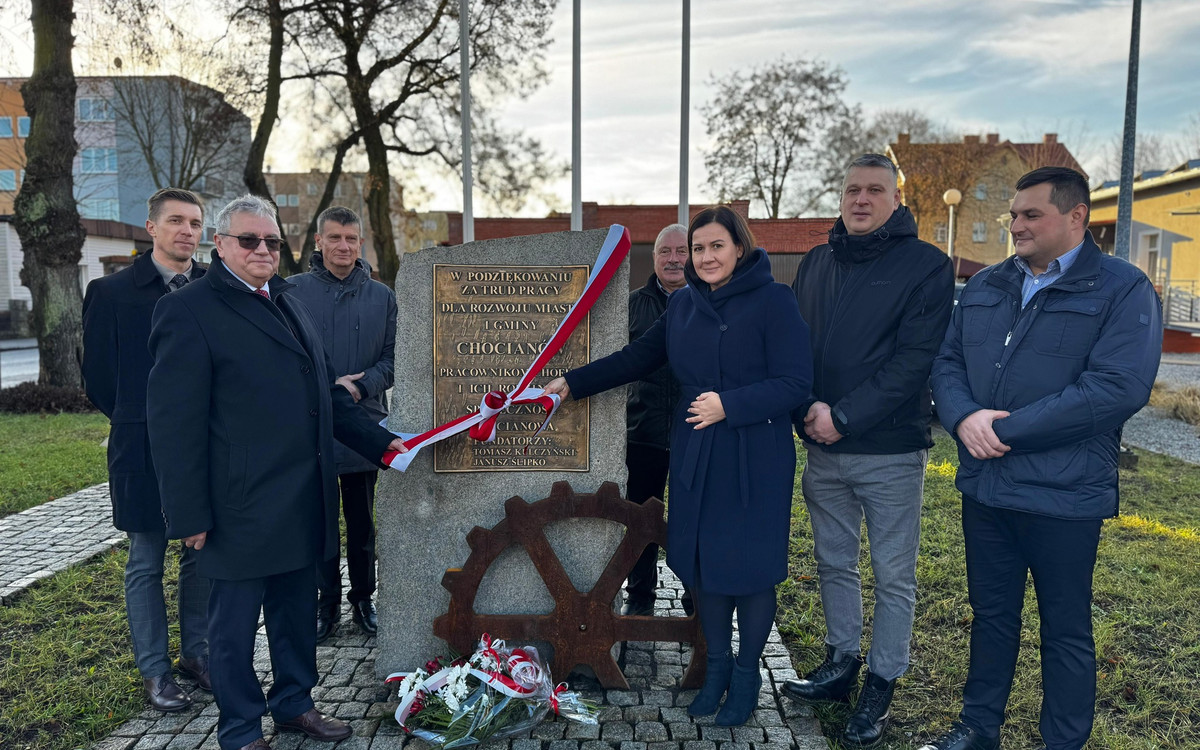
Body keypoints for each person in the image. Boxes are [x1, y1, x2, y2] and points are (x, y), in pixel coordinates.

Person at [146, 194, 407, 750]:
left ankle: (294, 704)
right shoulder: (189, 309)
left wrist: (387, 446)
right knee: (234, 630)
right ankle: (240, 729)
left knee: (293, 617)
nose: (263, 250)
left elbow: (325, 399)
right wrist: (188, 512)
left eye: (270, 241)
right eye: (249, 240)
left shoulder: (288, 301)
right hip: (237, 504)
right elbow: (173, 426)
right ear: (221, 245)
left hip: (300, 496)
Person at [922, 166, 1161, 750]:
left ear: (1076, 216)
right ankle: (978, 729)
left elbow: (1116, 388)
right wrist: (962, 418)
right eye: (1013, 214)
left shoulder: (1121, 288)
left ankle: (1063, 740)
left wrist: (1004, 430)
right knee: (992, 617)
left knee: (1066, 629)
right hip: (987, 488)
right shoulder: (987, 284)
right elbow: (947, 362)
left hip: (1064, 496)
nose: (1015, 225)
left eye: (1032, 214)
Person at [545, 206, 812, 727]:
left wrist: (730, 405)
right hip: (698, 452)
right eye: (698, 248)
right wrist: (573, 383)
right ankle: (713, 673)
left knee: (752, 572)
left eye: (716, 246)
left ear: (739, 247)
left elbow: (796, 381)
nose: (706, 257)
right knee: (705, 566)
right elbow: (637, 357)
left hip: (754, 454)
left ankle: (747, 673)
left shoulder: (774, 300)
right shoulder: (684, 305)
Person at [782, 153, 954, 747]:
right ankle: (841, 661)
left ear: (896, 199)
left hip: (887, 451)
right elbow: (795, 347)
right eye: (852, 188)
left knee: (892, 574)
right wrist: (806, 406)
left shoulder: (927, 266)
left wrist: (845, 416)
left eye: (874, 190)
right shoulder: (817, 262)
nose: (861, 199)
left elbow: (916, 361)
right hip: (821, 446)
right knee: (833, 561)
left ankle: (881, 683)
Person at [81, 187, 212, 712]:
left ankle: (197, 656)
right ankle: (156, 671)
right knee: (146, 560)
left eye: (196, 223)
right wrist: (143, 420)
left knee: (201, 555)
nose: (187, 231)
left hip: (207, 446)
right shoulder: (111, 293)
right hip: (141, 447)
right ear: (151, 228)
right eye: (176, 221)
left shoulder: (212, 287)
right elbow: (99, 379)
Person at [289, 206, 397, 641]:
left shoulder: (381, 296)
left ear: (361, 243)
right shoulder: (291, 292)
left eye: (351, 239)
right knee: (319, 522)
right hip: (308, 428)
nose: (343, 247)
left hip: (363, 427)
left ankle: (362, 599)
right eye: (334, 238)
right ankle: (326, 602)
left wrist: (360, 386)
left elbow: (393, 359)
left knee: (361, 523)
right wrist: (323, 384)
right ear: (318, 241)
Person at [621, 223, 687, 617]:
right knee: (640, 519)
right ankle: (640, 595)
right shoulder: (631, 305)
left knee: (691, 520)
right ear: (654, 258)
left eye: (682, 251)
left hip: (692, 434)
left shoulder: (707, 302)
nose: (674, 259)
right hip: (641, 432)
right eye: (666, 252)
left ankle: (696, 598)